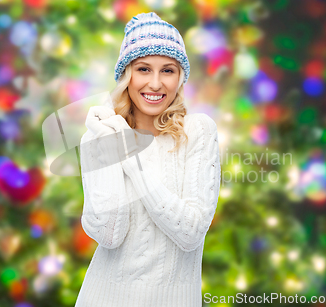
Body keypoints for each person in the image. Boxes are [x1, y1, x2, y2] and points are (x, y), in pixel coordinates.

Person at [75, 12, 221, 307]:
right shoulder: (99, 136)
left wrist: (131, 158)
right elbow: (109, 233)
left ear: (180, 77)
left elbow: (191, 232)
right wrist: (106, 143)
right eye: (143, 69)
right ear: (126, 75)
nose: (155, 84)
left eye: (167, 70)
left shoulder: (198, 131)